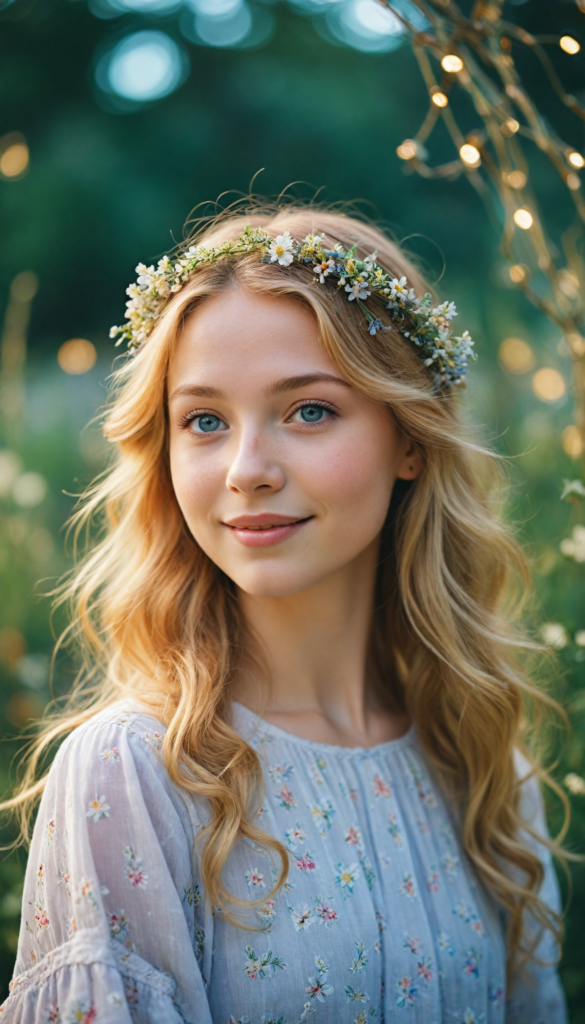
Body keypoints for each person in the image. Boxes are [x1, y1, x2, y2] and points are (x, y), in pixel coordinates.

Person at [0, 205, 568, 1023]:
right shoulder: (132, 773)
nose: (246, 470)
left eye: (308, 410)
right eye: (203, 421)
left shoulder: (485, 769)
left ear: (409, 439)